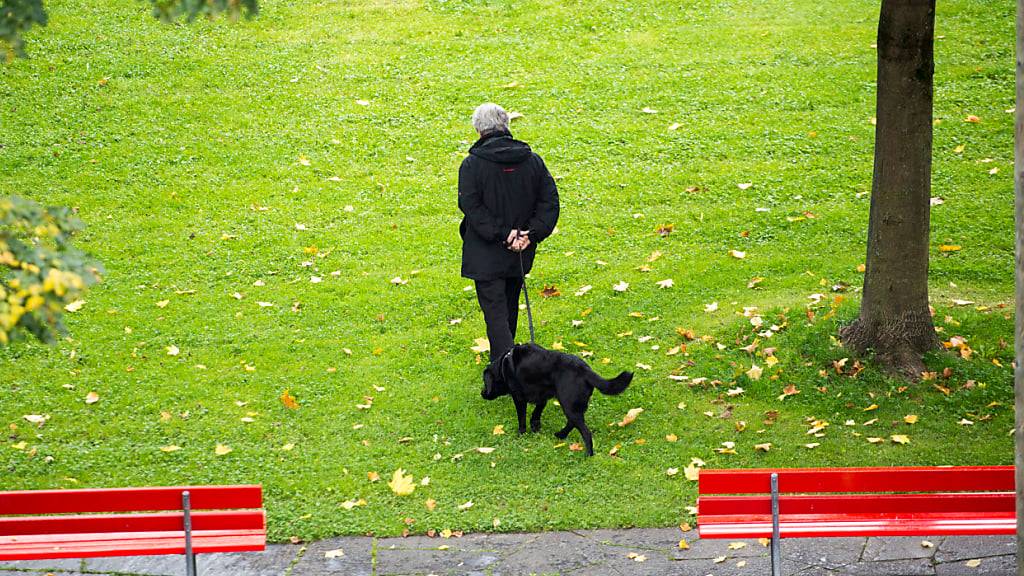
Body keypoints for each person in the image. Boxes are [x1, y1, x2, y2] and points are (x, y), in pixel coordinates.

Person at [458, 103, 559, 367]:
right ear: (506, 125)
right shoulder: (533, 161)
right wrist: (530, 234)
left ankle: (504, 369)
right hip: (521, 249)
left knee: (495, 313)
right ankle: (508, 362)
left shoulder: (472, 165)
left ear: (479, 130)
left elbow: (471, 206)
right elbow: (549, 202)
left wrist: (505, 234)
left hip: (486, 251)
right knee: (509, 305)